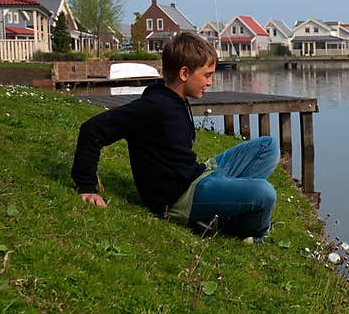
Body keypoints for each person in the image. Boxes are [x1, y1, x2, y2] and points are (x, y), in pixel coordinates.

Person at [71, 32, 278, 239]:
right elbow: (92, 130)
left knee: (267, 146)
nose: (210, 82)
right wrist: (87, 187)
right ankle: (248, 232)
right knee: (263, 193)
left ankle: (222, 211)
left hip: (197, 175)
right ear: (185, 73)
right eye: (207, 75)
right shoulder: (153, 107)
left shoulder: (174, 98)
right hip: (181, 197)